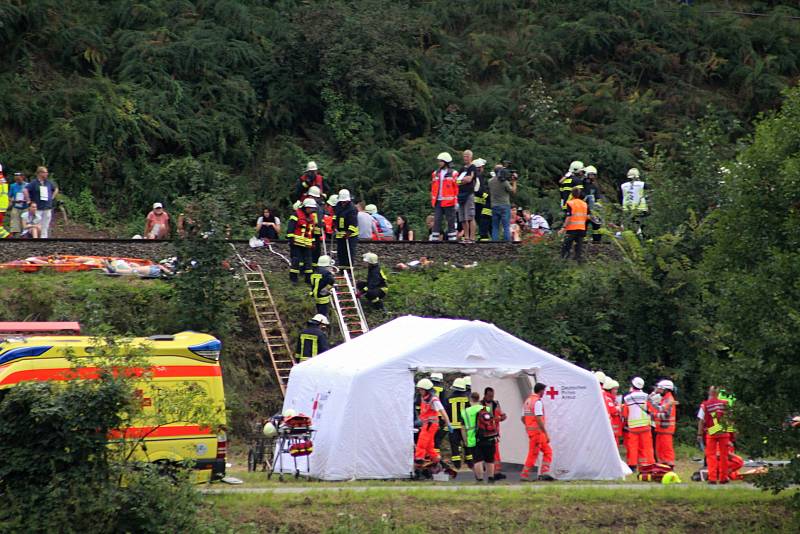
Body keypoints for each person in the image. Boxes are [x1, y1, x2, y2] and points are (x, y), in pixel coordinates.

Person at [414, 378, 453, 472]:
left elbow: (442, 411)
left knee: (421, 443)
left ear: (427, 389)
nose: (420, 391)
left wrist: (448, 423)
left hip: (430, 425)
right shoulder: (424, 398)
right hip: (426, 424)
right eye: (419, 389)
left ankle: (419, 460)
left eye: (421, 389)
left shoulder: (434, 399)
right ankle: (436, 460)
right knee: (429, 446)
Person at [697, 386, 732, 484]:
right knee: (724, 456)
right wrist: (731, 433)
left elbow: (701, 420)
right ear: (718, 393)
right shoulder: (725, 404)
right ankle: (723, 478)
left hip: (711, 432)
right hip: (724, 432)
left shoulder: (705, 405)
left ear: (710, 393)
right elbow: (730, 419)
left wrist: (699, 434)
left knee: (711, 456)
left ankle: (712, 478)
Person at [521, 382, 554, 481]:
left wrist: (529, 426)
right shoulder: (537, 402)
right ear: (540, 391)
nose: (544, 392)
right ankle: (524, 475)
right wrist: (546, 433)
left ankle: (544, 473)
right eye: (544, 390)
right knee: (533, 454)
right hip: (538, 433)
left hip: (533, 433)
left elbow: (523, 418)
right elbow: (539, 419)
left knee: (548, 451)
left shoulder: (527, 401)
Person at [622, 376, 655, 472]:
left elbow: (625, 413)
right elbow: (650, 409)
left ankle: (632, 466)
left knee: (632, 447)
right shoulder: (646, 396)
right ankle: (649, 464)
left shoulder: (627, 398)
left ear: (632, 385)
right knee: (647, 447)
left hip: (633, 427)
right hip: (645, 426)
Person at [430, 152, 458, 241]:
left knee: (450, 221)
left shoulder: (454, 173)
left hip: (449, 202)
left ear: (446, 162)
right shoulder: (435, 173)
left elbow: (456, 188)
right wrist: (432, 199)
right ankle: (434, 238)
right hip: (438, 201)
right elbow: (433, 187)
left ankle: (452, 238)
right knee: (437, 220)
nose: (439, 163)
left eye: (440, 161)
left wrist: (456, 201)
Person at [288, 198, 316, 283]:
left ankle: (308, 279)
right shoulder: (296, 215)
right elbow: (290, 228)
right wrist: (291, 239)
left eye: (313, 208)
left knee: (308, 261)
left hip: (307, 243)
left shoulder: (311, 217)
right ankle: (294, 279)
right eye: (310, 208)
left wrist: (313, 242)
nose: (312, 210)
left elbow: (312, 231)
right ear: (305, 207)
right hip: (296, 243)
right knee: (296, 261)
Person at [24, 166, 58, 238]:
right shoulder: (34, 183)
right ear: (40, 173)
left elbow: (56, 189)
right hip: (38, 208)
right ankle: (35, 237)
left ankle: (44, 239)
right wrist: (28, 200)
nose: (47, 174)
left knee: (45, 226)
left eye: (47, 172)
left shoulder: (48, 182)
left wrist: (52, 197)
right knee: (37, 224)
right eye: (45, 172)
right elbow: (25, 190)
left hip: (47, 207)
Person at [475, 392, 501, 483]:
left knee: (478, 460)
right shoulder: (487, 411)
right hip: (490, 437)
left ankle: (480, 480)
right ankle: (490, 478)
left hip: (477, 437)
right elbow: (492, 423)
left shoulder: (469, 411)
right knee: (490, 460)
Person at [482, 386, 507, 480]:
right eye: (489, 396)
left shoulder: (496, 404)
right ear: (485, 395)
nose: (491, 398)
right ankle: (490, 473)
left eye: (492, 396)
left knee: (496, 452)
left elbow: (503, 416)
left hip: (494, 433)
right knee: (488, 453)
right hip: (484, 433)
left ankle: (496, 472)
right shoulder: (481, 405)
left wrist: (500, 418)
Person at [488, 162, 517, 241]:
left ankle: (495, 243)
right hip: (504, 205)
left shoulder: (490, 181)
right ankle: (507, 243)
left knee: (495, 227)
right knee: (506, 226)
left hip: (494, 206)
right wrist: (514, 181)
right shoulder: (504, 182)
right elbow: (513, 191)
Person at [559, 188, 590, 262]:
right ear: (579, 194)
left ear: (572, 194)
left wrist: (563, 227)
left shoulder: (570, 203)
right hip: (581, 229)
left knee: (566, 246)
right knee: (578, 247)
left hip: (571, 229)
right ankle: (578, 263)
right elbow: (588, 217)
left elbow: (569, 216)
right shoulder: (584, 204)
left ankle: (563, 261)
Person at [446, 378, 470, 469]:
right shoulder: (467, 399)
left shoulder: (449, 399)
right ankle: (469, 462)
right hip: (464, 426)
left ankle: (457, 465)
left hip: (453, 427)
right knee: (467, 445)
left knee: (454, 446)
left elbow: (446, 412)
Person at [460, 392, 485, 481]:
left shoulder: (465, 412)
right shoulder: (485, 409)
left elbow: (462, 428)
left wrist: (465, 440)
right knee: (485, 457)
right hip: (485, 436)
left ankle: (479, 477)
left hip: (472, 437)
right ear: (479, 399)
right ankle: (487, 475)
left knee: (476, 459)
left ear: (470, 399)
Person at [653, 379, 677, 468]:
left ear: (666, 389)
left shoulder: (669, 400)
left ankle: (669, 468)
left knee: (666, 450)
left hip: (666, 429)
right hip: (661, 429)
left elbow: (666, 415)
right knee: (660, 450)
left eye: (660, 389)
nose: (659, 391)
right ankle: (662, 468)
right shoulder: (665, 399)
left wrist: (654, 415)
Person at [334, 190, 359, 269]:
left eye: (345, 201)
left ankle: (349, 269)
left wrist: (349, 232)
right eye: (342, 201)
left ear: (348, 200)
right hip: (340, 233)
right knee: (341, 252)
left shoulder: (352, 209)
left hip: (350, 235)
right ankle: (342, 268)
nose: (343, 203)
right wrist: (333, 224)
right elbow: (336, 217)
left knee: (349, 252)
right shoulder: (338, 206)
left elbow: (353, 222)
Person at [457, 150, 477, 242]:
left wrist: (463, 180)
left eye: (467, 156)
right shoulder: (461, 169)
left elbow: (470, 179)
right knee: (463, 217)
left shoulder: (473, 167)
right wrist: (463, 180)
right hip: (460, 195)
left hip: (469, 194)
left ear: (471, 157)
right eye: (464, 156)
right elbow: (457, 181)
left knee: (470, 216)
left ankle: (472, 237)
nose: (465, 158)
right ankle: (466, 237)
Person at [471, 159, 492, 241]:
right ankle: (483, 236)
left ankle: (482, 235)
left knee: (481, 220)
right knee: (482, 220)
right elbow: (478, 189)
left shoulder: (477, 176)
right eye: (482, 167)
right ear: (479, 168)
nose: (483, 169)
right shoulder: (477, 176)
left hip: (478, 202)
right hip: (478, 203)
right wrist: (486, 196)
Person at [602, 378, 623, 445]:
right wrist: (618, 408)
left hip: (614, 427)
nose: (616, 391)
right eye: (615, 389)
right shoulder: (608, 399)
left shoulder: (611, 398)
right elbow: (613, 411)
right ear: (609, 389)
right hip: (612, 427)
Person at [7, 172, 29, 236]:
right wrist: (14, 200)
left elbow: (30, 196)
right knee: (15, 223)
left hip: (25, 206)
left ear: (22, 178)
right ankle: (15, 235)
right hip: (16, 206)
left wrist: (26, 200)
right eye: (16, 180)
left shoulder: (27, 185)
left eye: (19, 179)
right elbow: (9, 196)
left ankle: (24, 235)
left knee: (25, 222)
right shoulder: (13, 186)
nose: (18, 181)